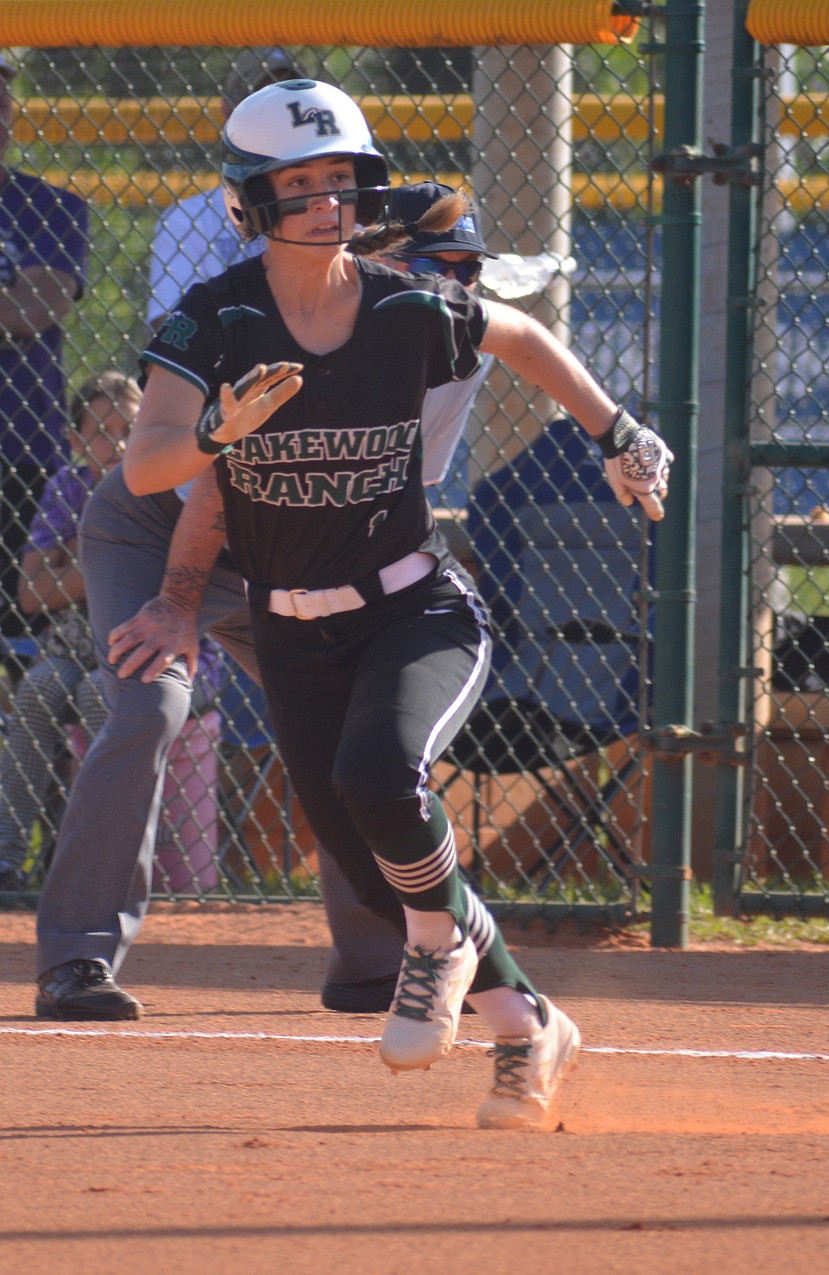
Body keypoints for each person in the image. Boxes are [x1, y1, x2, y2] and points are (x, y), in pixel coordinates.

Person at [122, 79, 672, 1130]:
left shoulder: (401, 303)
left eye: (342, 179)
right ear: (249, 200)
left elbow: (517, 337)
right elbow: (150, 464)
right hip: (291, 628)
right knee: (380, 872)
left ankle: (442, 953)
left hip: (415, 607)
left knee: (382, 775)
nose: (326, 201)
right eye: (298, 183)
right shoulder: (213, 320)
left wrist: (617, 435)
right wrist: (213, 436)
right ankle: (530, 1028)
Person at [32, 56, 406, 1023]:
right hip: (163, 527)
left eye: (346, 187)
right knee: (150, 704)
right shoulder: (258, 319)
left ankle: (377, 962)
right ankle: (77, 957)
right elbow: (212, 484)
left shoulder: (421, 334)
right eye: (445, 263)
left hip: (282, 555)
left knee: (345, 736)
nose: (457, 281)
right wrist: (179, 604)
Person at [0, 372, 139, 890]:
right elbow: (30, 593)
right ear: (76, 442)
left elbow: (159, 580)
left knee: (98, 697)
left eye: (129, 426)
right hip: (73, 643)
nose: (118, 441)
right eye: (101, 430)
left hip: (139, 646)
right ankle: (6, 859)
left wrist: (69, 565)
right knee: (36, 689)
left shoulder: (160, 483)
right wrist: (108, 563)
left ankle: (93, 866)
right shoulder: (68, 486)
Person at [0, 52, 89, 642]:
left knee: (18, 621)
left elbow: (33, 309)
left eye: (3, 97)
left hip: (20, 440)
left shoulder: (51, 207)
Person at [147, 47, 302, 333]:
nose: (277, 117)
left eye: (289, 103)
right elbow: (171, 327)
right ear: (229, 112)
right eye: (260, 103)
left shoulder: (331, 203)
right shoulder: (186, 219)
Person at [381, 180, 496, 509]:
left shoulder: (471, 347)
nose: (451, 289)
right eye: (428, 266)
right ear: (376, 260)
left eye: (467, 270)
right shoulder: (324, 327)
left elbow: (410, 484)